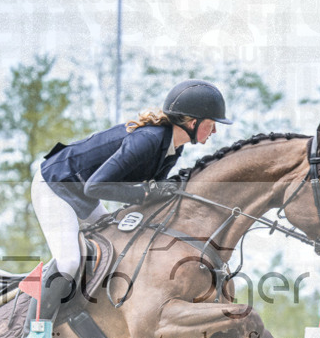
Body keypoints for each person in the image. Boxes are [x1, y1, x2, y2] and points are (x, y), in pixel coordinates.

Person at [30, 79, 232, 321]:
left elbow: (149, 194)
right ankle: (33, 333)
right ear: (192, 122)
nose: (215, 131)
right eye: (211, 124)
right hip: (55, 184)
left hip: (81, 191)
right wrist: (145, 193)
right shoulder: (148, 139)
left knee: (116, 247)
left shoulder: (173, 148)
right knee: (70, 261)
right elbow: (96, 186)